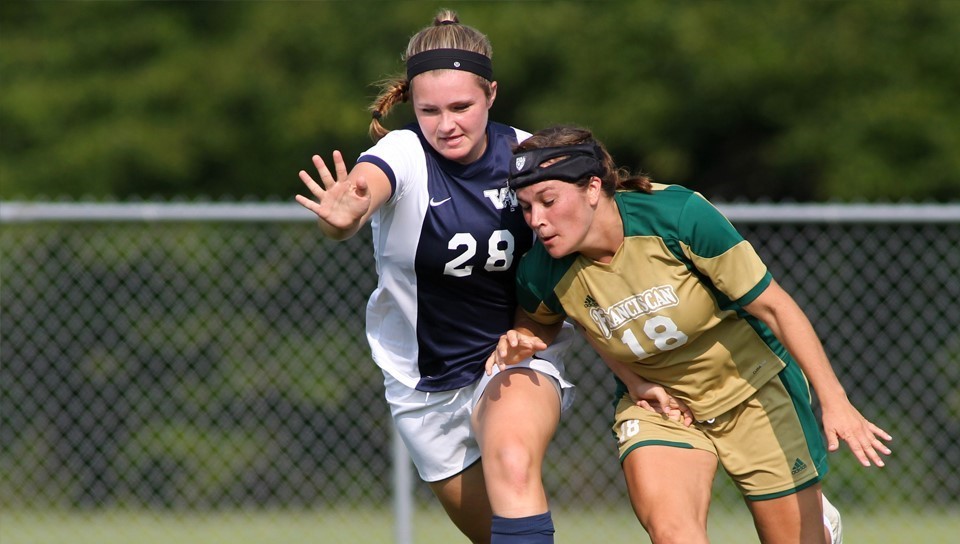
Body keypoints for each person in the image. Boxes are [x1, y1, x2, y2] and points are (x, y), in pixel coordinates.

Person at [294, 13, 686, 544]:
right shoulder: (403, 154)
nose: (446, 124)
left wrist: (630, 368)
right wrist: (345, 217)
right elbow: (365, 189)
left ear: (491, 95)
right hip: (422, 384)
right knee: (502, 534)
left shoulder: (527, 155)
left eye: (462, 107)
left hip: (516, 354)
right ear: (412, 105)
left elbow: (579, 268)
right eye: (430, 110)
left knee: (512, 461)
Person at [488, 125, 894, 544]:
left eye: (549, 201)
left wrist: (836, 401)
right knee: (673, 534)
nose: (537, 220)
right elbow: (538, 320)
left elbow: (776, 307)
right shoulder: (542, 270)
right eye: (526, 207)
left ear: (593, 188)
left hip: (752, 390)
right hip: (662, 406)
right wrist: (523, 337)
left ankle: (820, 525)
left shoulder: (676, 215)